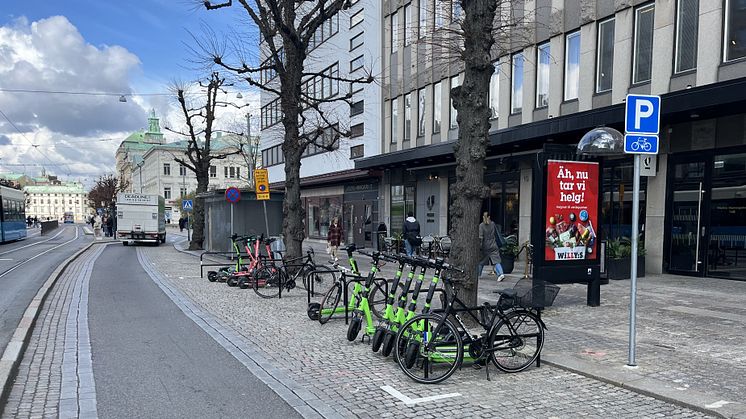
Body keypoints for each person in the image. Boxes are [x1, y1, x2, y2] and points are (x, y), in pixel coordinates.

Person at [478, 212, 505, 282]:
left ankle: (478, 275)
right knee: (496, 261)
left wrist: (479, 247)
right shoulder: (492, 224)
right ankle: (501, 274)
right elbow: (497, 234)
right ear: (489, 217)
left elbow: (480, 237)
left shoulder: (481, 225)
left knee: (481, 261)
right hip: (493, 244)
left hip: (485, 246)